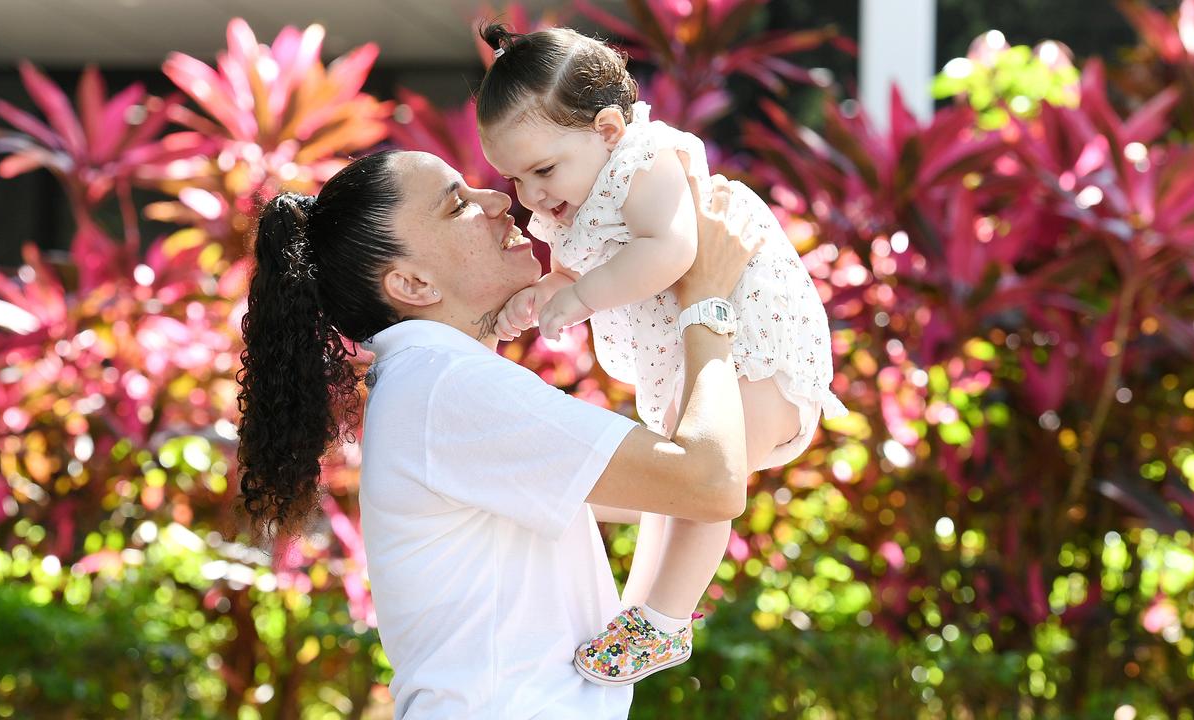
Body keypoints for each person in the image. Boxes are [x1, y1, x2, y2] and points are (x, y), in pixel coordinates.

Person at [235, 148, 763, 718]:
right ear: (413, 283)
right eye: (458, 204)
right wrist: (706, 300)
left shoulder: (431, 385)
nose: (498, 199)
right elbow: (711, 483)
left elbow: (673, 491)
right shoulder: (444, 385)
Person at [475, 24, 848, 684]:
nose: (530, 196)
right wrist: (538, 297)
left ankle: (668, 619)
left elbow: (670, 252)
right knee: (674, 479)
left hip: (759, 343)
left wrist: (583, 296)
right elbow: (572, 270)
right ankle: (639, 611)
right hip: (701, 350)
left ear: (609, 128)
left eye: (542, 170)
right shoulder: (575, 196)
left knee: (701, 484)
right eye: (514, 177)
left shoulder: (645, 165)